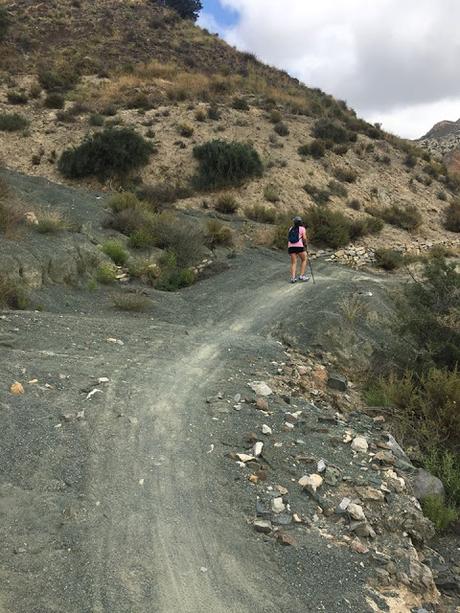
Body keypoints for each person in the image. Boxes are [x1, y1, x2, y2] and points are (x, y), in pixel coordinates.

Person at [287, 216, 309, 283]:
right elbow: (304, 238)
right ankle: (301, 276)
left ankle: (293, 278)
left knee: (293, 262)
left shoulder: (290, 228)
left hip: (290, 246)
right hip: (299, 246)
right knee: (304, 259)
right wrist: (305, 244)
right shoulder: (302, 228)